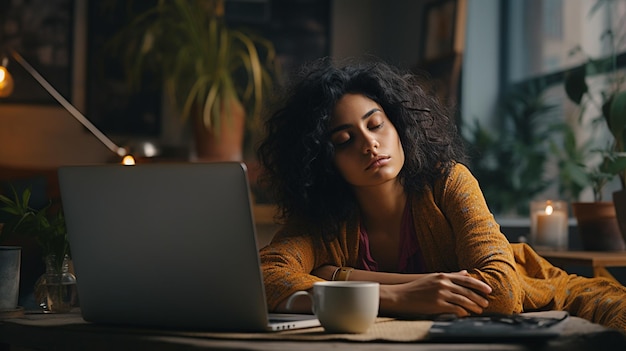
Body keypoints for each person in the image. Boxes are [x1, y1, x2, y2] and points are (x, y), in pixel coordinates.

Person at [255, 57, 626, 330]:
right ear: (323, 161)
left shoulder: (449, 182)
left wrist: (339, 276)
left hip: (561, 295)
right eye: (344, 140)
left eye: (375, 124)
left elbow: (499, 294)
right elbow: (265, 277)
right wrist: (398, 295)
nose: (369, 143)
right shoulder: (324, 220)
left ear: (398, 125)